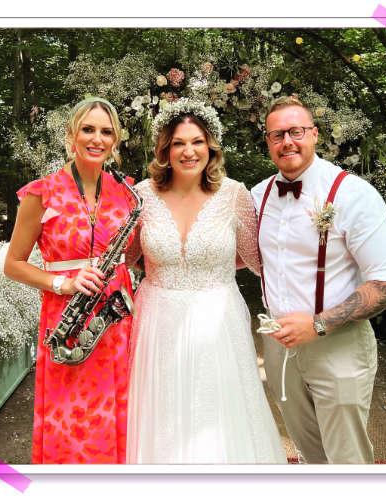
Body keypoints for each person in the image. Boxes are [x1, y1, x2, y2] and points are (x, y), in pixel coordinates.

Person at [125, 98, 287, 464]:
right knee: (160, 415)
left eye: (197, 141)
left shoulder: (234, 194)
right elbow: (127, 257)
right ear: (164, 149)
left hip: (218, 320)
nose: (188, 151)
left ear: (210, 146)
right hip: (156, 321)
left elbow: (257, 260)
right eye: (178, 143)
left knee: (219, 412)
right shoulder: (141, 195)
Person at [251, 96, 386, 464]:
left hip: (339, 346)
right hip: (279, 349)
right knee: (311, 456)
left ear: (314, 134)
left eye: (296, 131)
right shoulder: (257, 196)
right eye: (277, 135)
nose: (287, 141)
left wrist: (319, 324)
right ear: (268, 142)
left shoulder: (353, 195)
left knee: (346, 459)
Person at [4, 97, 135, 464]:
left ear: (116, 140)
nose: (97, 139)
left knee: (115, 414)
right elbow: (13, 264)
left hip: (114, 321)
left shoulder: (125, 192)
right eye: (88, 129)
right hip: (69, 320)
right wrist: (63, 282)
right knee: (70, 421)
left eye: (106, 132)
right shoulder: (41, 192)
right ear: (71, 135)